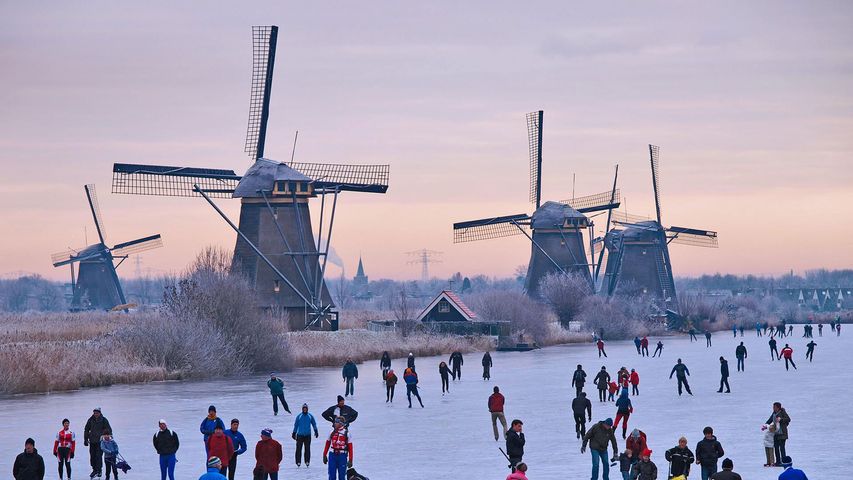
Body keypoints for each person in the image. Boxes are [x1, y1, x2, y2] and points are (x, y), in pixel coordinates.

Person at [84, 407, 111, 479]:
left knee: (98, 456)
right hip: (92, 441)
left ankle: (99, 470)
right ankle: (94, 470)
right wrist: (85, 439)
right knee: (92, 456)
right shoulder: (90, 419)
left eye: (97, 413)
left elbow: (109, 430)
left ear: (100, 413)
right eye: (94, 413)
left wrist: (109, 440)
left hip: (100, 442)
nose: (96, 414)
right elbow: (86, 429)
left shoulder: (104, 420)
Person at [766, 402, 791, 466]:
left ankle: (784, 461)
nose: (773, 408)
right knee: (776, 447)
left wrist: (781, 419)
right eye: (773, 407)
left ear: (778, 407)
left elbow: (788, 419)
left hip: (782, 433)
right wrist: (765, 425)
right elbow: (770, 420)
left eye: (774, 407)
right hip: (776, 433)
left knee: (782, 448)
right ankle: (778, 462)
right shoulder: (774, 413)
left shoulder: (782, 412)